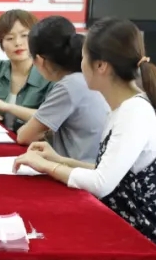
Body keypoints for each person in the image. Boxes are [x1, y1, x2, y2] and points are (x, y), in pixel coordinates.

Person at [14, 17, 156, 252]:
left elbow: (100, 183)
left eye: (83, 58)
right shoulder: (122, 107)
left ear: (101, 66)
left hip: (141, 239)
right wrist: (58, 159)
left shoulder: (134, 113)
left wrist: (47, 167)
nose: (79, 64)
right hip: (120, 220)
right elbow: (107, 170)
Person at [13, 16, 109, 162]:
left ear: (40, 60)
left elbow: (24, 137)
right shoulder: (87, 78)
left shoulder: (68, 86)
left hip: (79, 170)